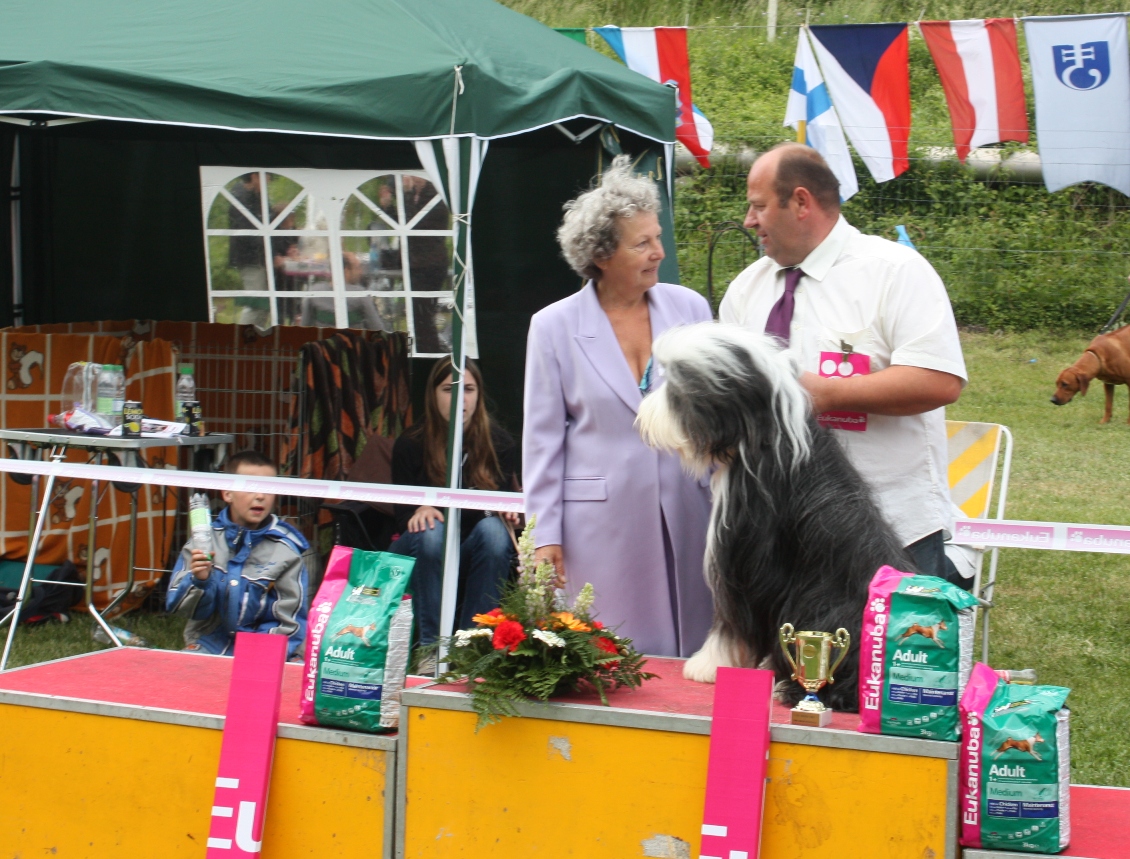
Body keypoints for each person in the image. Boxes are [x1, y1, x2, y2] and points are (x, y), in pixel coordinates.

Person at [720, 143, 968, 585]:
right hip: (780, 537)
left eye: (758, 206)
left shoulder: (895, 272)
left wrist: (827, 394)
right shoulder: (745, 290)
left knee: (888, 636)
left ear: (801, 202)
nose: (748, 221)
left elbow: (940, 380)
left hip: (891, 533)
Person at [523, 155, 714, 657]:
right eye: (642, 243)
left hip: (691, 510)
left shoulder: (691, 308)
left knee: (698, 651)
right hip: (600, 524)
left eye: (657, 237)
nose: (659, 252)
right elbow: (542, 440)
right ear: (602, 255)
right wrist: (544, 534)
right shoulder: (552, 326)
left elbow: (717, 415)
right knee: (615, 653)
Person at [391, 358, 519, 649]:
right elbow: (401, 518)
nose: (460, 398)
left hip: (471, 550)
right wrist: (419, 509)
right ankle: (431, 649)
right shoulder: (410, 443)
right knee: (431, 528)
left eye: (468, 389)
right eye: (450, 389)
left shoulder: (500, 444)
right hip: (420, 551)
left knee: (495, 531)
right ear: (433, 394)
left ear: (479, 395)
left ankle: (470, 647)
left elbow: (495, 514)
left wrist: (506, 512)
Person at [166, 450, 309, 658]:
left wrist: (257, 656)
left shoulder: (286, 551)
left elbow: (288, 621)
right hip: (209, 645)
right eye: (251, 487)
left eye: (268, 488)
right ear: (227, 494)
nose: (260, 496)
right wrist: (200, 581)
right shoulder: (203, 541)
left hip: (262, 651)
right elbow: (180, 608)